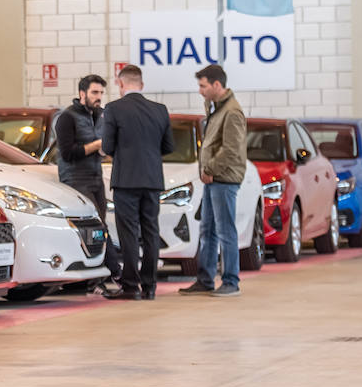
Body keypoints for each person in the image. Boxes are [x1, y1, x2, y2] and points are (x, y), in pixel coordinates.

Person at [99, 64, 173, 301]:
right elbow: (168, 147)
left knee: (129, 233)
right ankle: (150, 287)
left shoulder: (113, 109)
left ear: (121, 84)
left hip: (126, 181)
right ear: (141, 84)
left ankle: (131, 286)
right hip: (152, 180)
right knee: (151, 232)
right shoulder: (160, 110)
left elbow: (107, 147)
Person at [180, 64, 247, 298]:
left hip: (223, 179)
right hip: (212, 179)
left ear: (217, 85)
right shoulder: (216, 109)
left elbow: (231, 150)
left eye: (203, 86)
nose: (200, 91)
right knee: (207, 229)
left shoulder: (232, 112)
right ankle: (205, 279)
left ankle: (231, 280)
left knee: (225, 230)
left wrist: (210, 169)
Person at [52, 74, 122, 293]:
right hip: (75, 178)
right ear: (82, 94)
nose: (99, 97)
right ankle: (115, 271)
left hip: (95, 177)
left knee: (100, 227)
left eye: (101, 93)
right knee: (97, 225)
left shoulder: (101, 116)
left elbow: (101, 147)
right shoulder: (67, 117)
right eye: (94, 93)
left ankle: (97, 274)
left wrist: (105, 150)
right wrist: (97, 145)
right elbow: (68, 153)